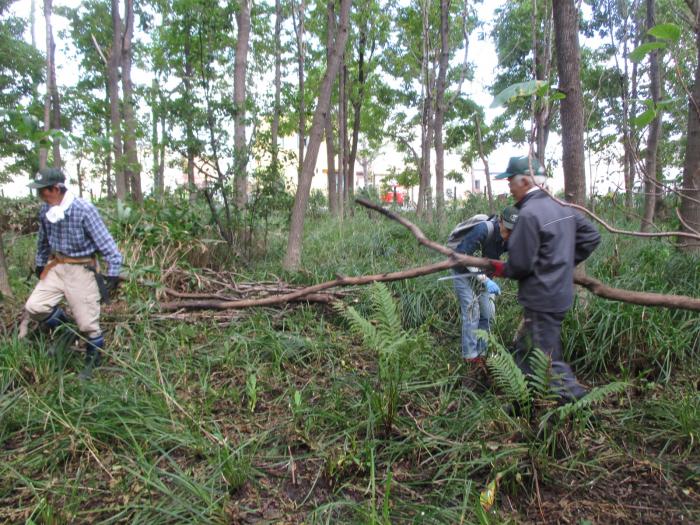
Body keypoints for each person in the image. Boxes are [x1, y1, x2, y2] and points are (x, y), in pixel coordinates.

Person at [490, 155, 601, 402]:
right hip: (558, 294)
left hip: (542, 298)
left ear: (526, 182)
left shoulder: (529, 214)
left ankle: (577, 403)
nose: (509, 186)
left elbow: (520, 265)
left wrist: (499, 269)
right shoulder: (562, 207)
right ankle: (523, 402)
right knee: (525, 349)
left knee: (547, 357)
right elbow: (592, 237)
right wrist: (561, 263)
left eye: (511, 181)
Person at [23, 168, 123, 380]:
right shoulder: (45, 211)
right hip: (56, 266)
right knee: (34, 306)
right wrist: (41, 264)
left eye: (44, 191)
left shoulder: (83, 209)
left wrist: (113, 273)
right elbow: (42, 240)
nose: (41, 195)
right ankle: (67, 327)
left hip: (81, 268)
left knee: (88, 324)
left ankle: (93, 361)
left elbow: (107, 243)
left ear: (56, 189)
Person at [452, 206, 519, 369]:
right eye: (508, 229)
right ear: (501, 221)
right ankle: (470, 357)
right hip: (462, 271)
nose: (509, 234)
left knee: (488, 313)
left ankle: (483, 353)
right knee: (472, 310)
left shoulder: (511, 237)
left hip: (484, 275)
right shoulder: (483, 230)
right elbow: (461, 256)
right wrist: (484, 280)